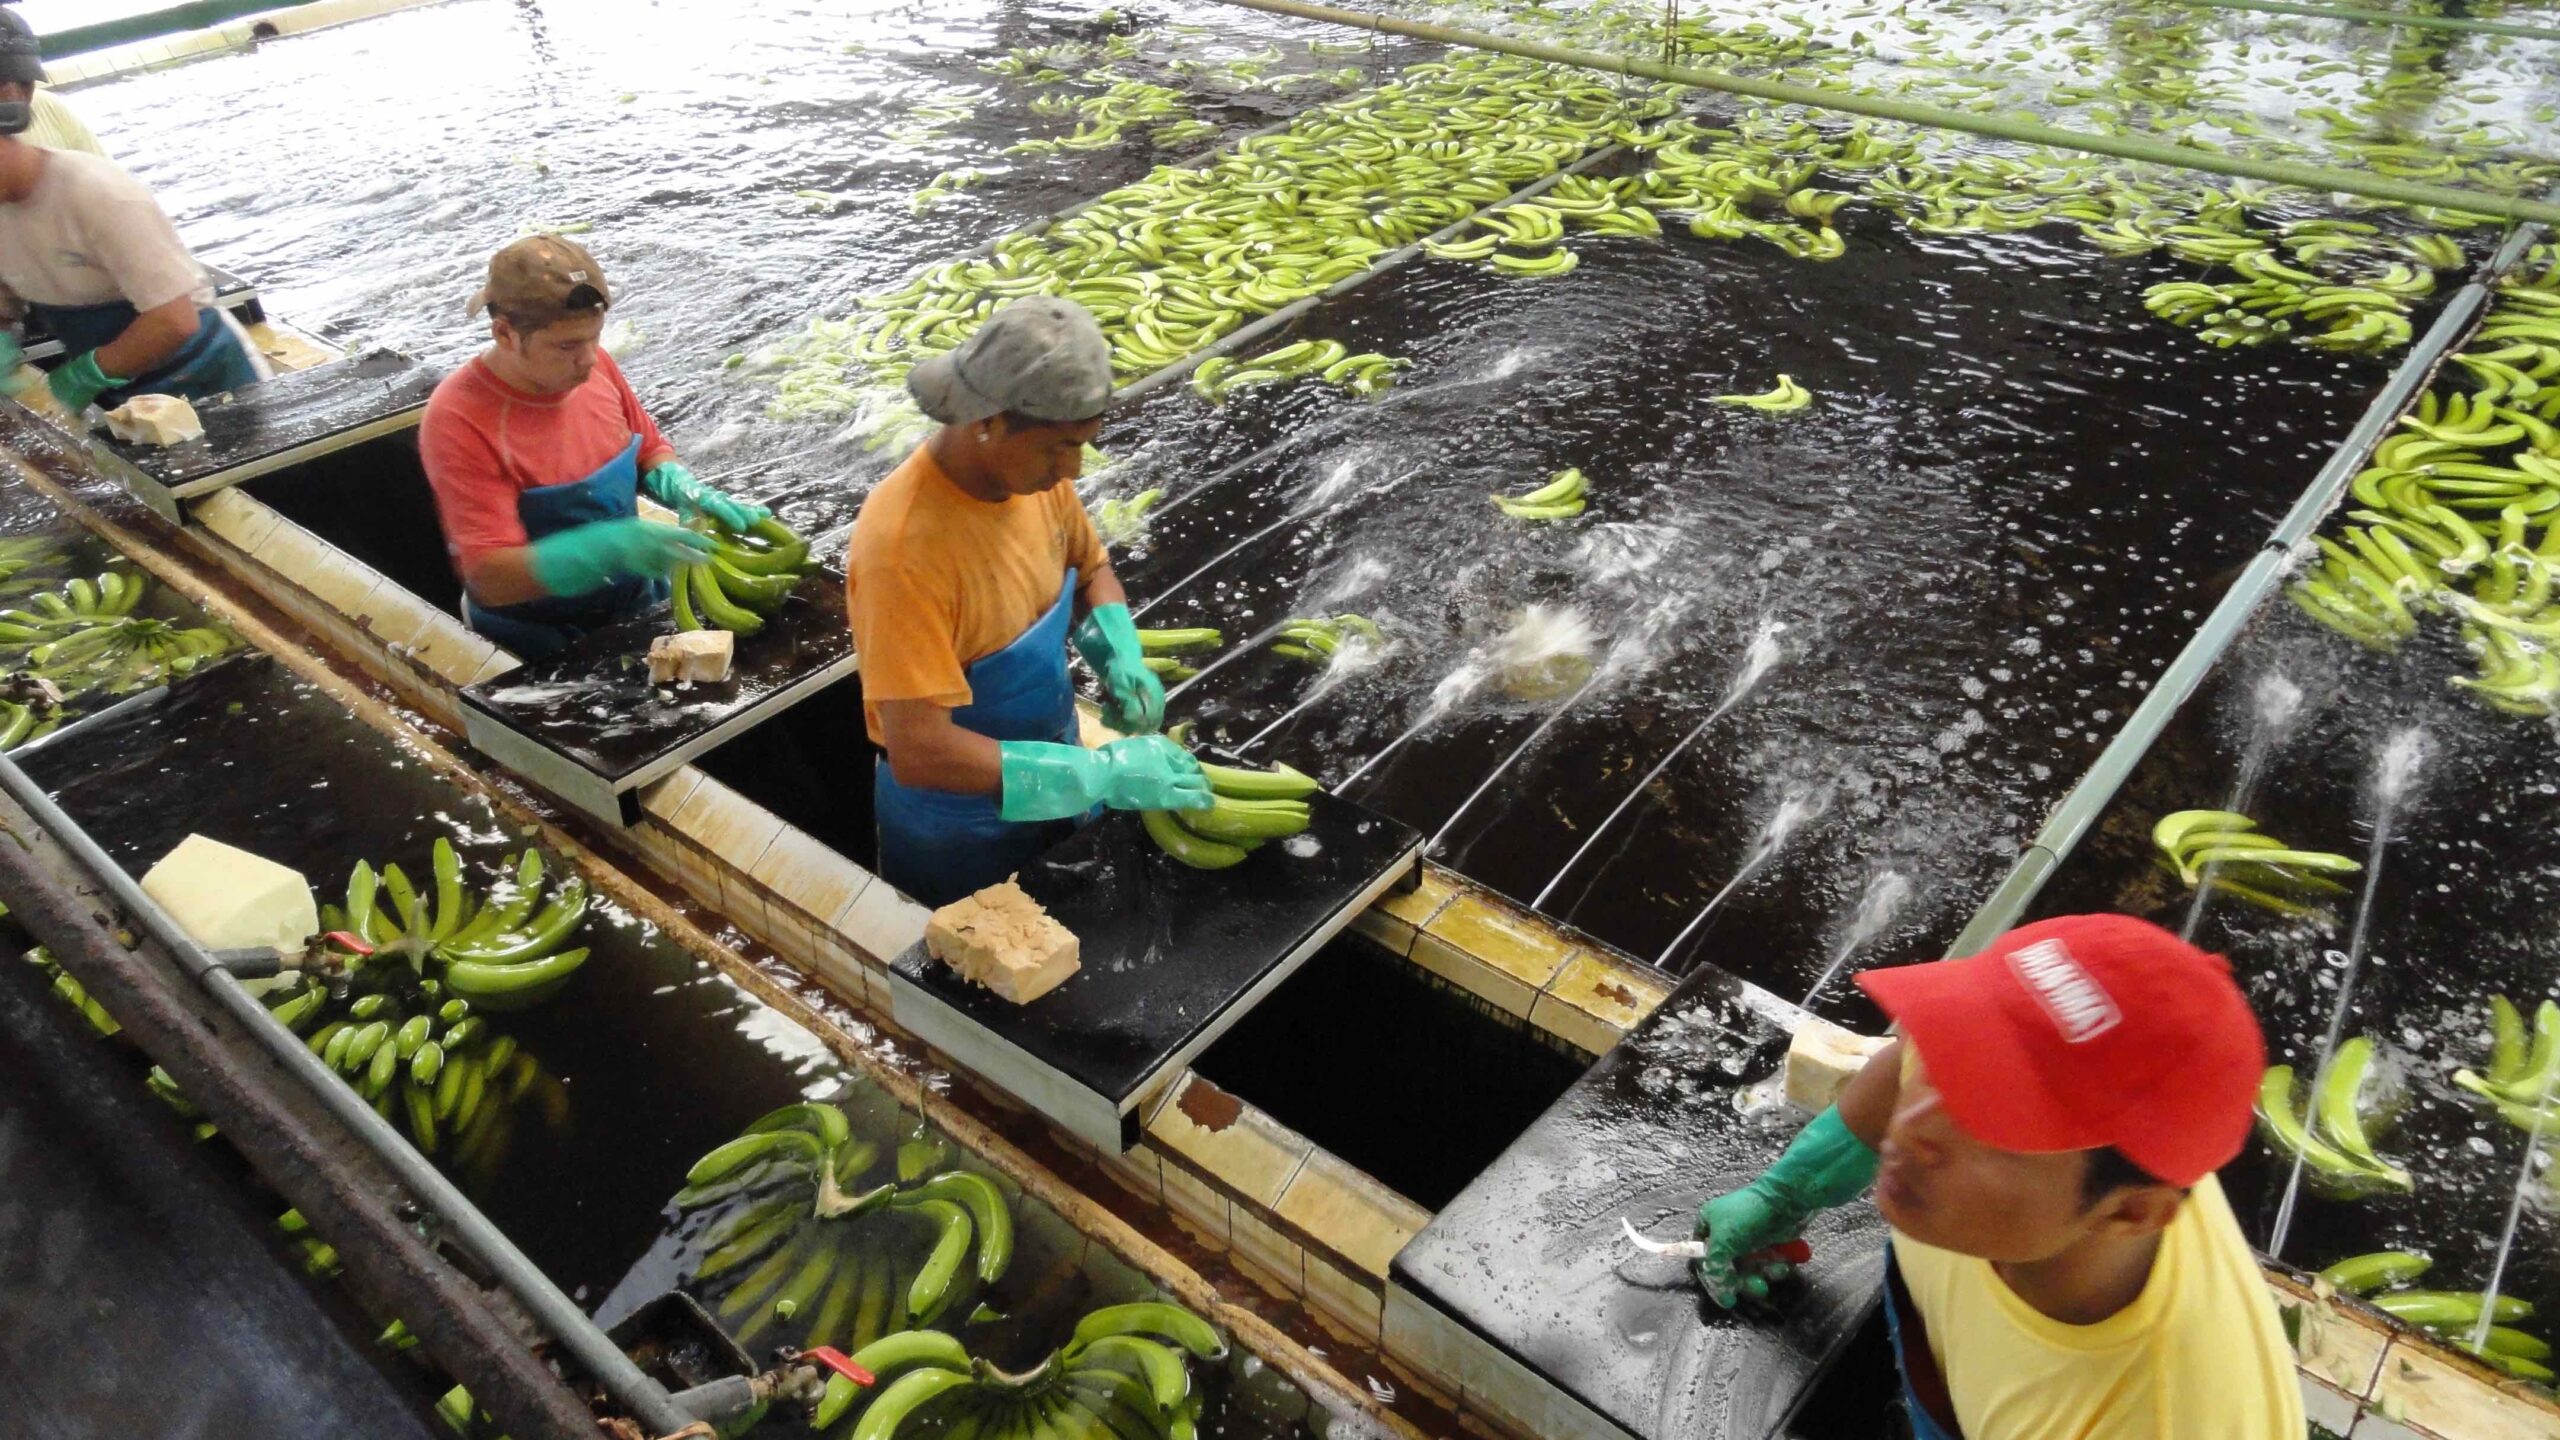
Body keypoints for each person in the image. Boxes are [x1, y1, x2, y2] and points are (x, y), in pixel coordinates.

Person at [1693, 914, 2302, 1439]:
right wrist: (1787, 1190)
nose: (1911, 1131)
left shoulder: (2152, 1417)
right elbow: (1912, 1051)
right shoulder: (1979, 1204)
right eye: (1960, 1050)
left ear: (2129, 1212)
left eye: (1995, 1117)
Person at [845, 297, 1207, 906]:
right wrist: (1099, 773)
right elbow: (920, 750)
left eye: (1083, 444)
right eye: (1057, 447)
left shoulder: (1033, 482)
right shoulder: (903, 553)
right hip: (958, 826)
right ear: (988, 421)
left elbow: (1091, 569)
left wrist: (1119, 652)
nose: (1073, 468)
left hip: (1056, 773)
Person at [420, 236, 765, 660]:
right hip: (532, 631)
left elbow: (648, 447)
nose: (588, 358)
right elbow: (488, 577)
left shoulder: (595, 365)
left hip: (634, 598)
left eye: (594, 337)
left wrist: (680, 484)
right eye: (566, 346)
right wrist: (607, 549)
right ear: (505, 334)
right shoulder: (457, 418)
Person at [0, 5, 261, 417]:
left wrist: (78, 379)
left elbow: (174, 321)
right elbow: (8, 296)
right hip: (117, 388)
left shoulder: (97, 193)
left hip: (207, 372)